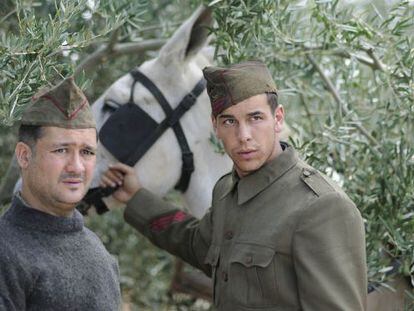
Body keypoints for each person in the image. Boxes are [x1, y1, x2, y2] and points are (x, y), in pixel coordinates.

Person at [101, 60, 367, 310]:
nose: (243, 136)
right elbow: (197, 244)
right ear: (215, 127)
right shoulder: (226, 190)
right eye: (230, 121)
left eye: (255, 118)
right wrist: (136, 197)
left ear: (278, 119)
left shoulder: (321, 207)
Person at [0, 77, 121, 310]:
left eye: (86, 152)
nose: (76, 167)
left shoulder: (100, 255)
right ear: (24, 156)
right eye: (61, 150)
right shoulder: (4, 252)